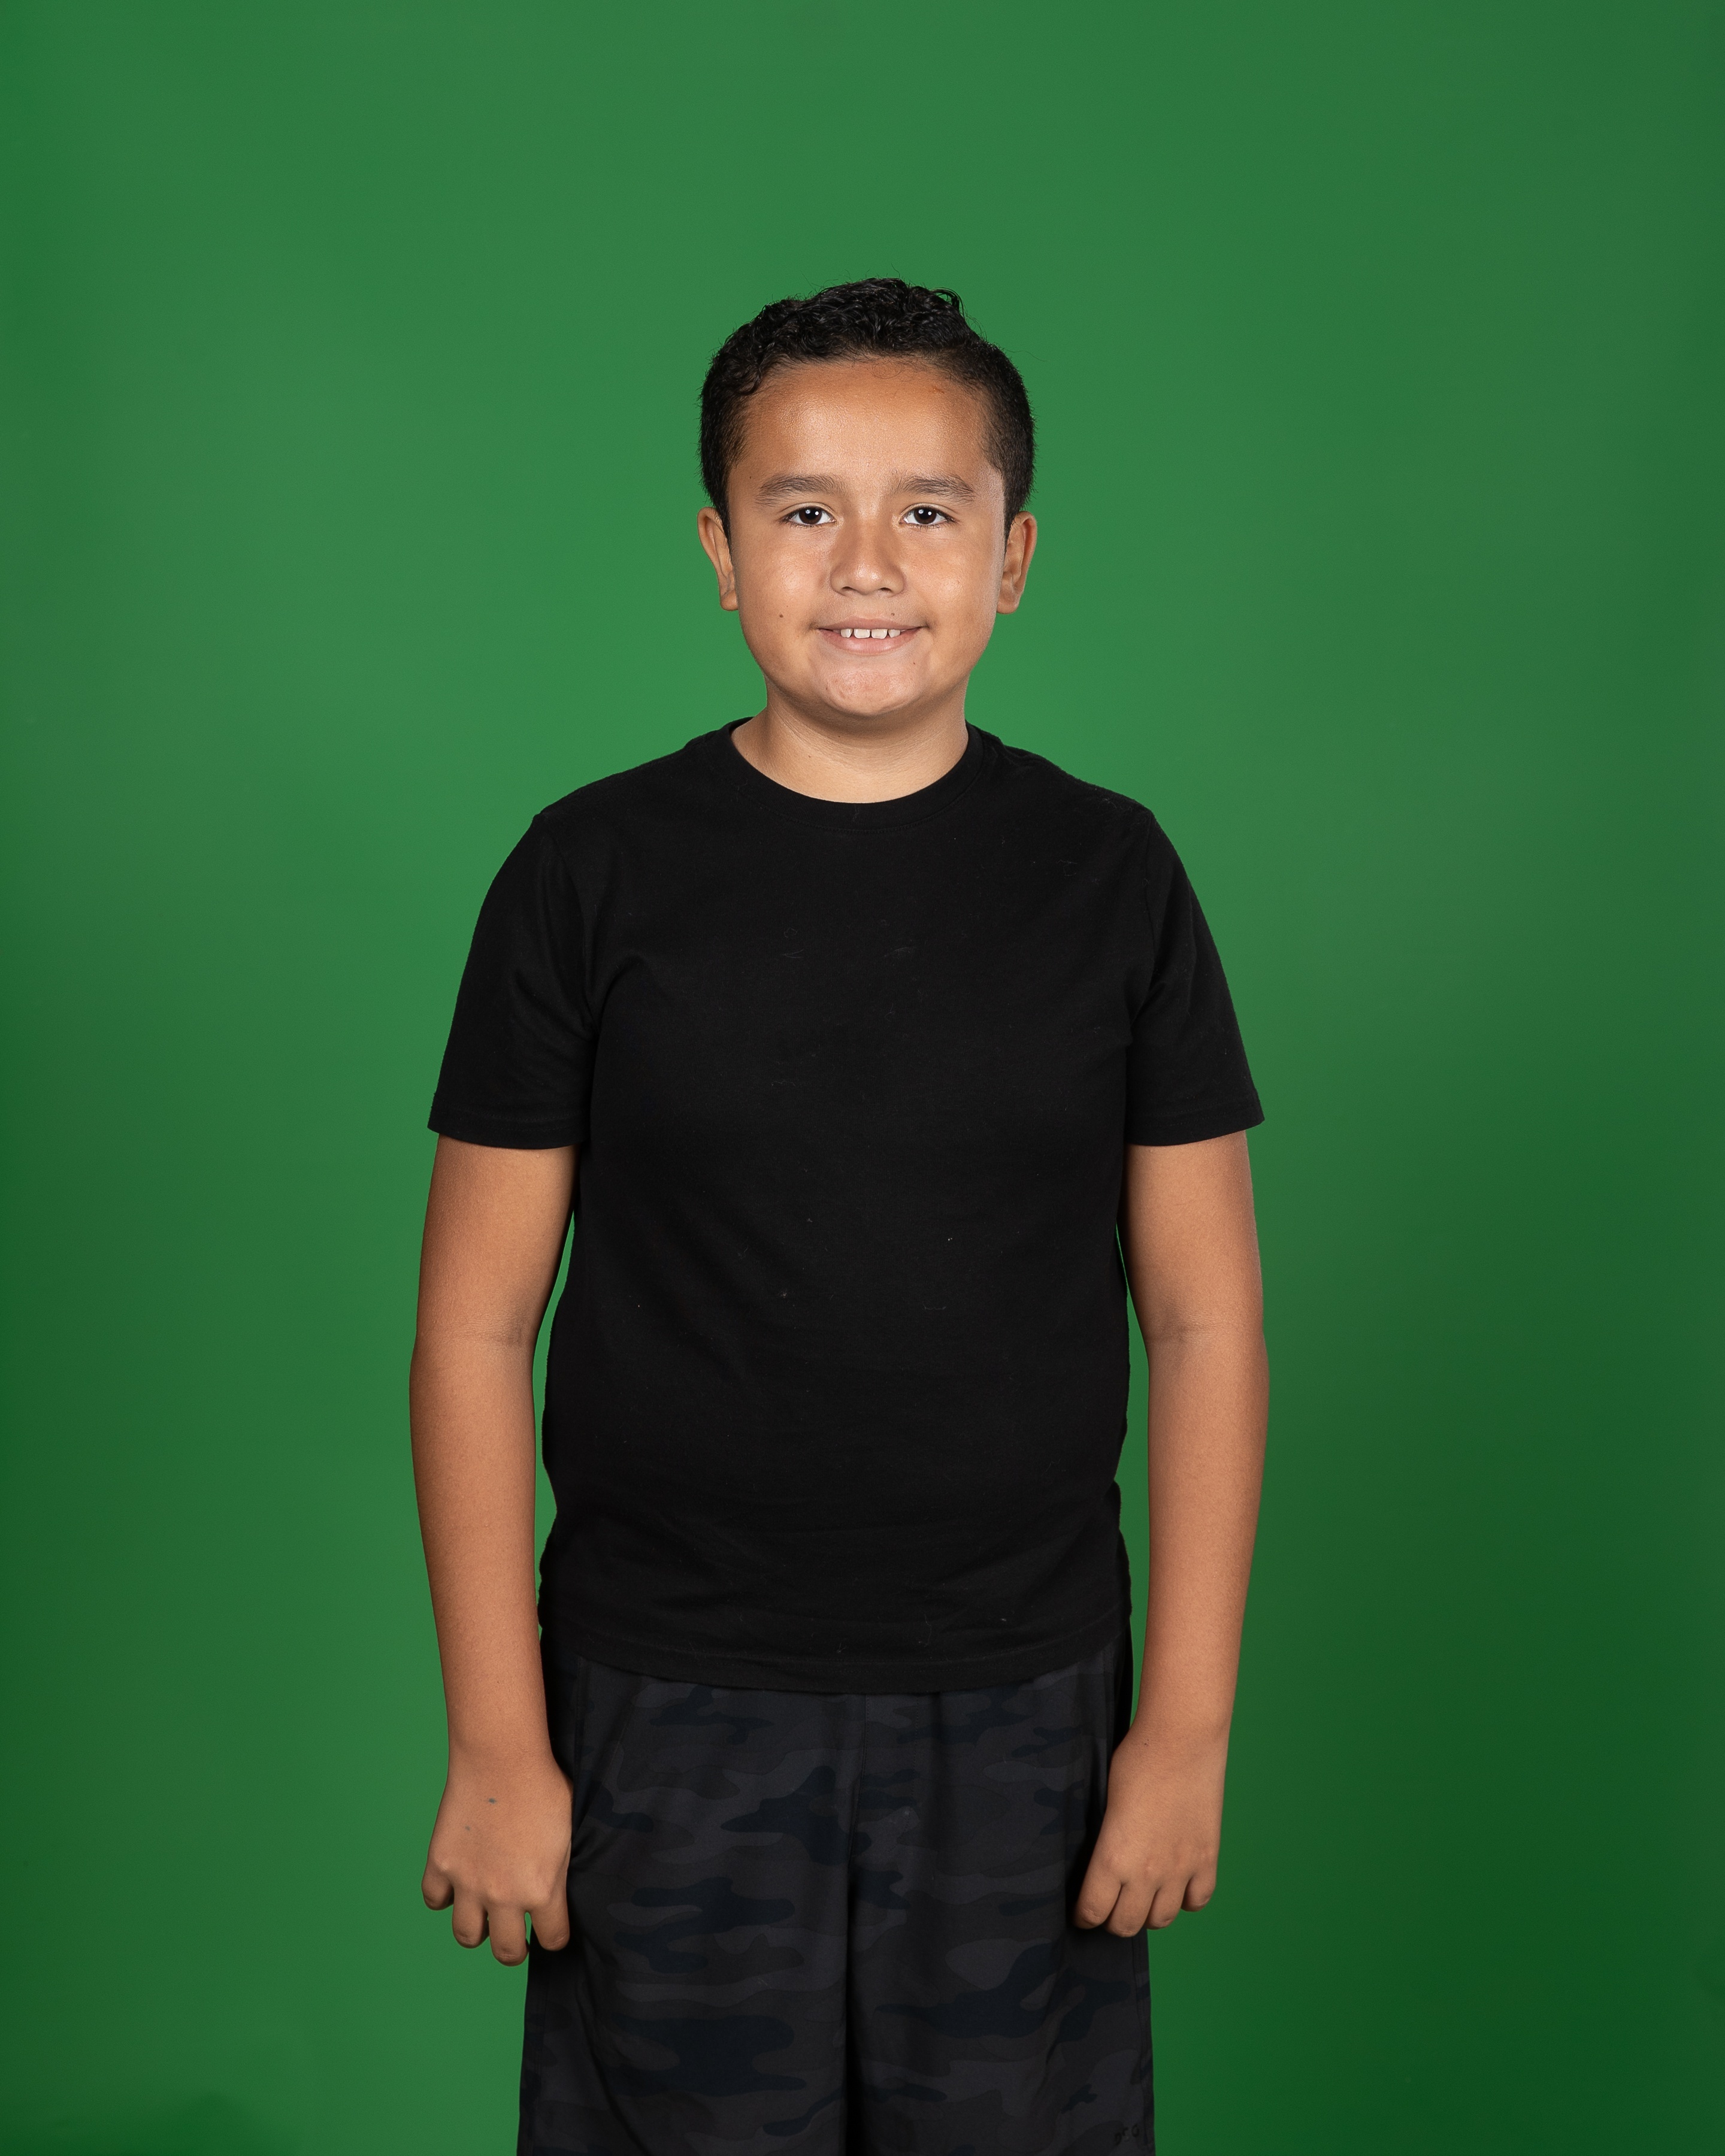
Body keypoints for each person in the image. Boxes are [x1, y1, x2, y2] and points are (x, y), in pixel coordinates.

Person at [411, 278, 1267, 2156]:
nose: (866, 562)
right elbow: (474, 1325)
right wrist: (498, 1742)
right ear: (722, 553)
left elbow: (1206, 1319)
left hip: (1029, 1707)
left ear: (1013, 558)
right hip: (665, 1706)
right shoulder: (587, 873)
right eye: (804, 508)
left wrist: (1184, 1731)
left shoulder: (1111, 877)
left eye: (928, 510)